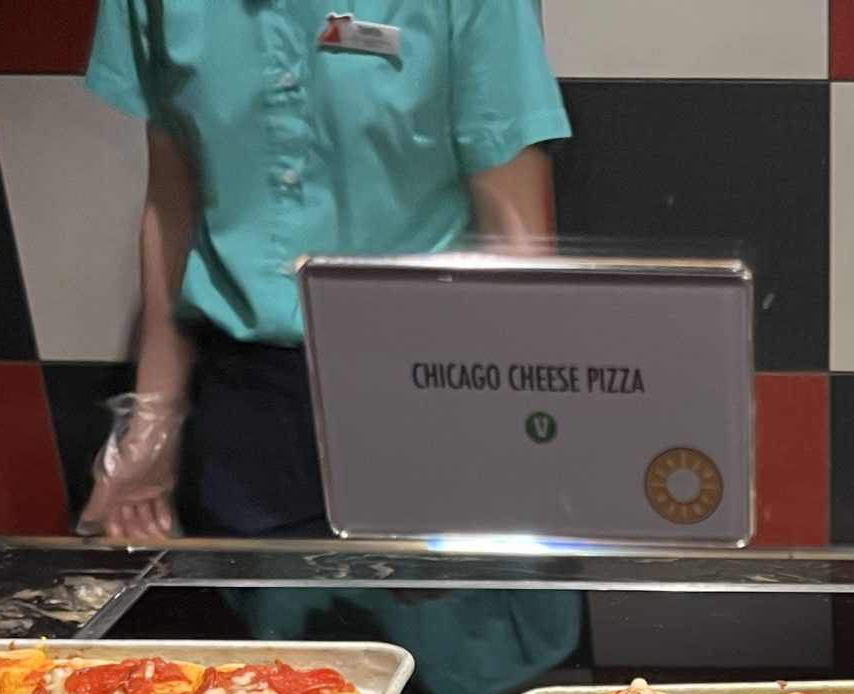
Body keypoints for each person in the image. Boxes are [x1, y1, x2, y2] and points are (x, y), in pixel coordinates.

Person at [80, 0, 571, 539]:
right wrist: (154, 418)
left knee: (441, 615)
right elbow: (174, 191)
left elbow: (513, 230)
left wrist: (496, 448)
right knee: (262, 618)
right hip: (250, 403)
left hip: (432, 385)